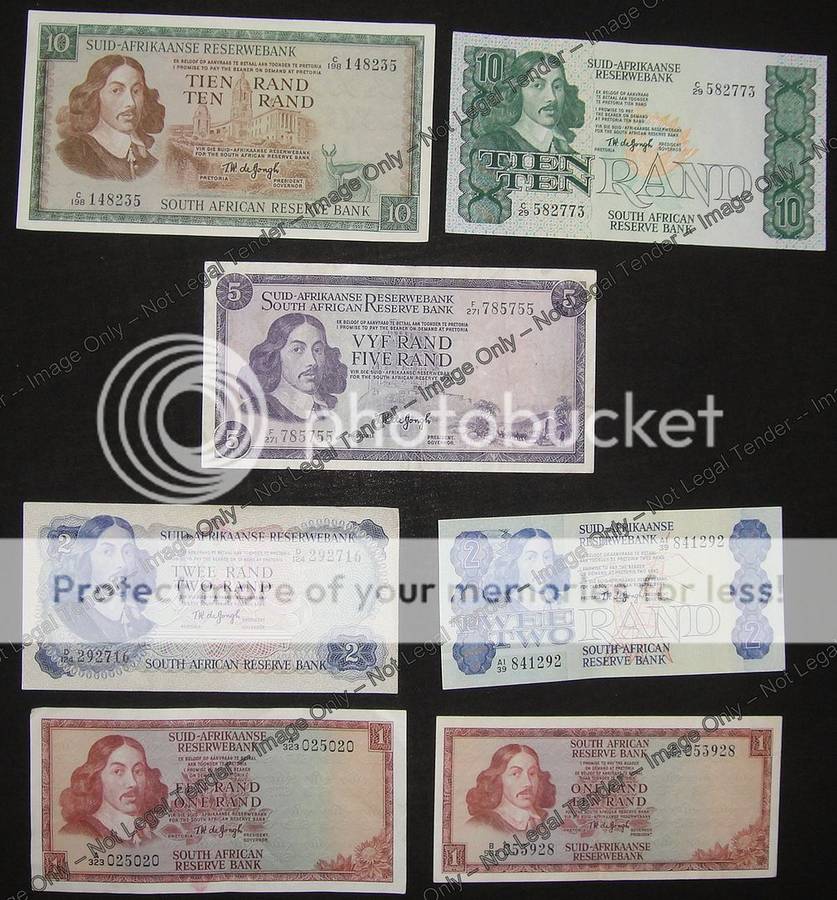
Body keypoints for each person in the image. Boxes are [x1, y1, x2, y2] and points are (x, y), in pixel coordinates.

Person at [56, 55, 165, 180]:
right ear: (95, 95)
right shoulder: (71, 154)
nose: (131, 103)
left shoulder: (149, 162)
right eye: (116, 90)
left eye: (136, 91)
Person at [241, 313, 348, 422]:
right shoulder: (254, 411)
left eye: (317, 350)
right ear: (275, 355)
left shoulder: (327, 410)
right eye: (297, 349)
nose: (312, 361)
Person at [59, 735, 167, 842]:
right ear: (97, 777)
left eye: (138, 771)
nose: (132, 783)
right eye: (118, 771)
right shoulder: (77, 833)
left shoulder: (151, 840)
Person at [67, 514, 154, 642]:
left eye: (127, 552)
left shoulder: (140, 620)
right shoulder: (70, 616)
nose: (122, 563)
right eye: (107, 551)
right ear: (86, 558)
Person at [479, 51, 584, 155]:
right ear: (517, 91)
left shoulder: (568, 152)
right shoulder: (493, 144)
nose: (552, 98)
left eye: (557, 87)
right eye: (538, 85)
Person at [466, 743, 556, 834]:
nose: (528, 783)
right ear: (498, 779)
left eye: (532, 773)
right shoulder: (480, 825)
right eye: (515, 774)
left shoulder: (548, 821)